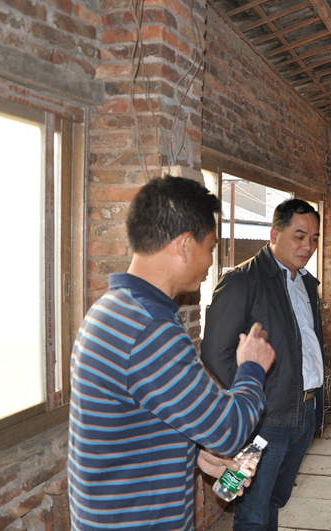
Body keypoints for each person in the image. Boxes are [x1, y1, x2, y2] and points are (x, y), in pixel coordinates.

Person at [68, 177, 275, 531]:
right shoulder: (149, 330)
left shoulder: (112, 309)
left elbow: (134, 425)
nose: (210, 261)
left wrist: (195, 454)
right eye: (210, 247)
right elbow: (228, 429)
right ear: (185, 245)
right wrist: (252, 368)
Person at [201, 198, 324, 530]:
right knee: (253, 512)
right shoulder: (242, 281)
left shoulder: (306, 283)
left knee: (274, 502)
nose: (308, 246)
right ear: (274, 234)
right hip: (265, 419)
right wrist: (253, 395)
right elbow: (215, 351)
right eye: (300, 236)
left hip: (304, 412)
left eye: (314, 238)